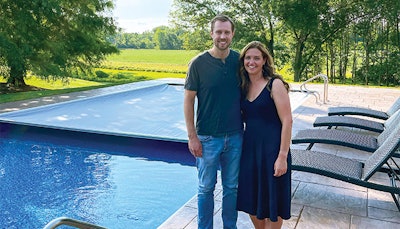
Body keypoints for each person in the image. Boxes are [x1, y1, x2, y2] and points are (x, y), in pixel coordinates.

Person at [183, 14, 243, 229]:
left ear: (232, 34)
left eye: (227, 32)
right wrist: (192, 137)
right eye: (218, 32)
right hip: (207, 137)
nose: (222, 36)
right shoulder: (198, 64)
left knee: (232, 188)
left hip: (235, 136)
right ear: (212, 34)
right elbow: (188, 101)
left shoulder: (239, 61)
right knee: (206, 188)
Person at [236, 41, 292, 229]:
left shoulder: (274, 85)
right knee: (252, 201)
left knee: (273, 205)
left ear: (264, 60)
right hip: (250, 150)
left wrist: (282, 156)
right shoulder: (242, 86)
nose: (251, 62)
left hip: (273, 151)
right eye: (248, 58)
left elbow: (287, 121)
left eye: (256, 58)